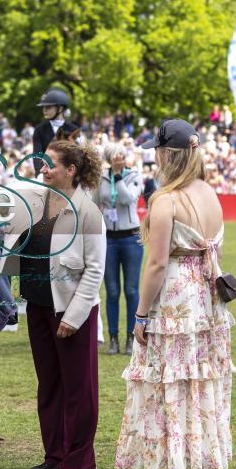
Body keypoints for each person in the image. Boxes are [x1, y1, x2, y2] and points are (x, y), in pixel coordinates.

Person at [0, 139, 106, 469]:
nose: (43, 168)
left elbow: (94, 272)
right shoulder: (31, 197)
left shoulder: (89, 213)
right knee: (49, 384)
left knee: (78, 387)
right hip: (39, 307)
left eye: (50, 164)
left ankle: (78, 460)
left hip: (71, 313)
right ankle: (54, 454)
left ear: (70, 170)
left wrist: (73, 318)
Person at [116, 119, 235, 469]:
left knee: (164, 382)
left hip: (175, 301)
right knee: (204, 385)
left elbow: (155, 264)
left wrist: (140, 315)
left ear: (168, 154)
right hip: (207, 300)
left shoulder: (165, 199)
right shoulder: (210, 194)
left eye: (157, 150)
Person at [93, 143, 143, 355]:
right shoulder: (100, 178)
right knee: (112, 291)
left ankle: (131, 339)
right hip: (109, 239)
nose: (118, 159)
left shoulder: (134, 176)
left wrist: (118, 177)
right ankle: (113, 338)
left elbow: (127, 199)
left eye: (121, 155)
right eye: (114, 155)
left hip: (131, 237)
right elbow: (95, 203)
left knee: (131, 290)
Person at [32, 87, 80, 176]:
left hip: (68, 175)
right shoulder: (39, 129)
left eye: (48, 107)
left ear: (60, 108)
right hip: (46, 173)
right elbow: (37, 155)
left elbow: (78, 156)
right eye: (43, 107)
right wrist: (40, 174)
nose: (44, 110)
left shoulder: (74, 129)